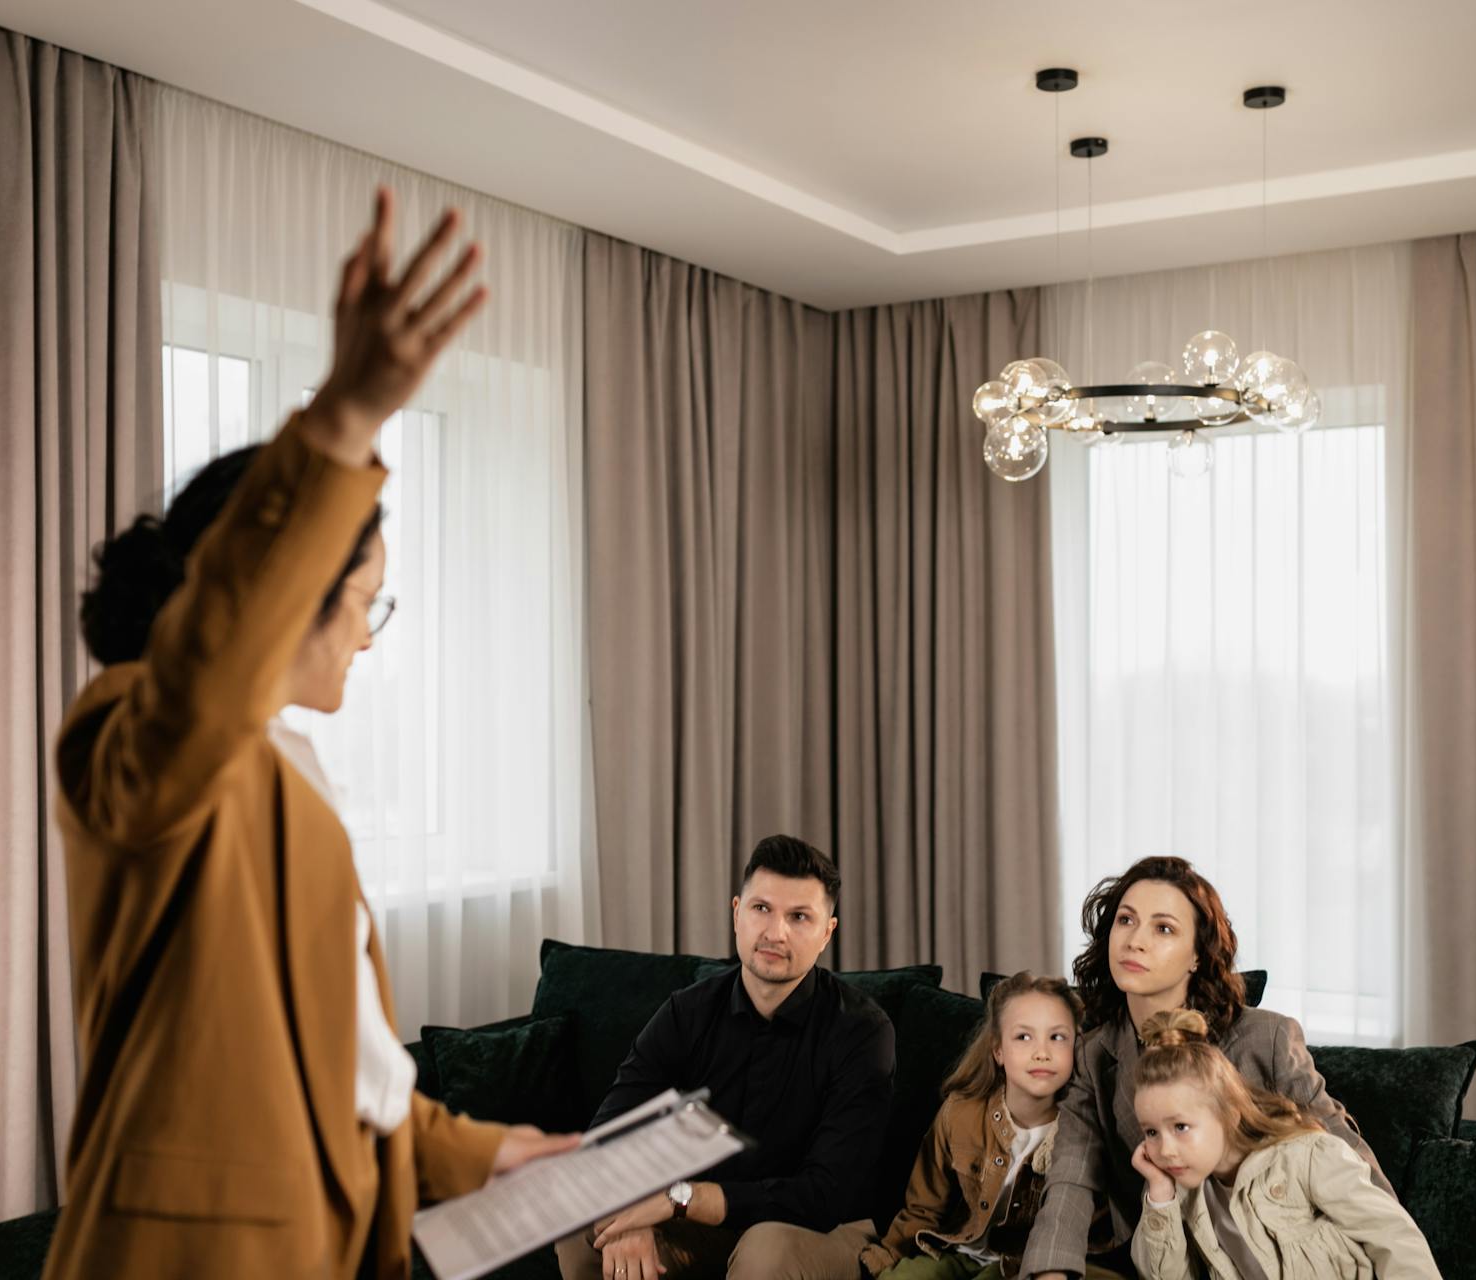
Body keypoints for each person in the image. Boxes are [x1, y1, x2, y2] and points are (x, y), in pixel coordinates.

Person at [44, 189, 577, 1280]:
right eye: (364, 601)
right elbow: (206, 676)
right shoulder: (132, 731)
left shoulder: (292, 770)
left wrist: (489, 1148)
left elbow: (348, 1063)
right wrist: (341, 416)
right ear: (286, 592)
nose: (368, 639)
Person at [1021, 857, 1385, 1280]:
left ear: (1197, 955)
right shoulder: (1092, 1055)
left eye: (1163, 928)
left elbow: (1344, 1153)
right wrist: (1050, 1273)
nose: (1135, 941)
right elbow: (1071, 1179)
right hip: (1162, 1260)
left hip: (1273, 1257)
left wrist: (1392, 1254)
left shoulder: (1266, 1039)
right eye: (1126, 920)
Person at [556, 834, 894, 1280]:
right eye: (761, 909)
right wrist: (625, 1214)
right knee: (585, 1225)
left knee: (765, 1250)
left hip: (821, 1227)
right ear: (737, 913)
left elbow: (824, 1194)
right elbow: (608, 1135)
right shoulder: (688, 1011)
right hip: (703, 1221)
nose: (776, 932)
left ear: (827, 932)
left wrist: (680, 1198)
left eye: (799, 917)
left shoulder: (862, 1032)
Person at [1129, 1010, 1441, 1280]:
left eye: (1180, 1127)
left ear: (1229, 1114)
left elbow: (1394, 1237)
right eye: (1151, 1132)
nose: (1166, 1150)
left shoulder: (1305, 1157)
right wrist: (1159, 1195)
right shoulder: (1181, 1194)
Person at [862, 973, 1114, 1280]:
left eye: (1057, 1037)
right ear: (998, 1050)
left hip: (1032, 1264)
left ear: (1076, 1046)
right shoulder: (960, 1113)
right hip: (962, 1252)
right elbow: (923, 1210)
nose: (1042, 1052)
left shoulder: (1086, 1128)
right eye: (1023, 1037)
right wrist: (885, 1259)